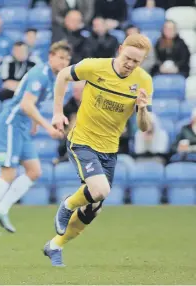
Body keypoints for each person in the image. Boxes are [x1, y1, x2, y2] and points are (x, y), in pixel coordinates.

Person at [43, 34, 153, 266]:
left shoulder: (143, 81)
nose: (130, 64)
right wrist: (57, 112)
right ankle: (67, 205)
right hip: (82, 140)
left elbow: (144, 127)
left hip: (109, 149)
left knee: (94, 208)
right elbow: (63, 75)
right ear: (120, 49)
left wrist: (142, 109)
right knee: (100, 189)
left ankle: (55, 245)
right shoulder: (95, 66)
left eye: (136, 61)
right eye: (128, 58)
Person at [0, 41, 71, 235]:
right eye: (60, 57)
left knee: (34, 171)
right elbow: (26, 105)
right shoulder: (40, 75)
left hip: (23, 126)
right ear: (50, 56)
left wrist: (33, 123)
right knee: (8, 173)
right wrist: (46, 127)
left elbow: (35, 103)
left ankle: (1, 210)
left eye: (67, 59)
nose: (64, 62)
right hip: (11, 123)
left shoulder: (54, 77)